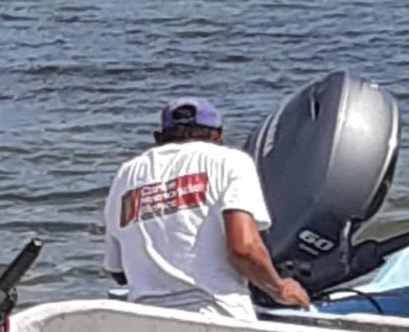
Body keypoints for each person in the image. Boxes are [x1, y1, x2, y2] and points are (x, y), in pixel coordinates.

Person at [104, 97, 309, 319]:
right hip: (216, 316)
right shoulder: (229, 161)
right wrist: (279, 289)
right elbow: (244, 248)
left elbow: (118, 271)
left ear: (158, 138)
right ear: (219, 135)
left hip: (146, 322)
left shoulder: (127, 174)